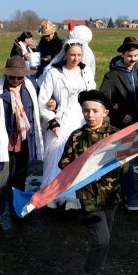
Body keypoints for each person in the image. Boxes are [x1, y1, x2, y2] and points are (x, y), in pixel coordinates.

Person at [58, 89, 123, 275]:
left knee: (105, 241)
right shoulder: (77, 137)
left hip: (111, 195)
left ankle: (96, 274)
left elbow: (125, 164)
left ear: (105, 112)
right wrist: (81, 169)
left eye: (95, 110)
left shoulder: (116, 135)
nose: (90, 115)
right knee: (101, 240)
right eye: (86, 111)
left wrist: (119, 164)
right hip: (89, 198)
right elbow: (64, 164)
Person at [0, 56, 44, 234]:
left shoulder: (32, 87)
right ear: (5, 75)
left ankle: (16, 210)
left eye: (19, 77)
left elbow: (42, 106)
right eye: (12, 77)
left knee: (19, 179)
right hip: (1, 142)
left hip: (23, 141)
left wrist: (52, 103)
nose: (15, 81)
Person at [38, 40, 96, 209]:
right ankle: (53, 195)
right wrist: (52, 120)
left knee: (78, 157)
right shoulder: (54, 73)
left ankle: (74, 196)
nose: (75, 58)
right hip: (61, 120)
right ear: (65, 54)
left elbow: (92, 95)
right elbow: (42, 101)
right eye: (72, 55)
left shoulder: (86, 72)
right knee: (57, 157)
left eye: (79, 55)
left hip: (81, 118)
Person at [100, 36, 138, 212]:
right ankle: (131, 197)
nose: (133, 59)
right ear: (123, 54)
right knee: (126, 160)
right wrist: (120, 114)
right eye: (130, 56)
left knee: (130, 159)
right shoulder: (112, 75)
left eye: (136, 56)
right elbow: (104, 99)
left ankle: (120, 190)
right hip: (121, 125)